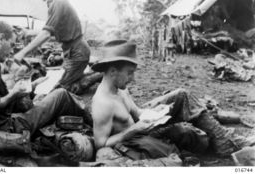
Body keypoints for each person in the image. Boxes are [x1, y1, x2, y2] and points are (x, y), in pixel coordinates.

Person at [91, 40, 251, 160]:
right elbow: (101, 144)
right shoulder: (103, 104)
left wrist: (154, 113)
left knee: (182, 95)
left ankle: (224, 138)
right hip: (135, 139)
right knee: (193, 137)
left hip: (142, 128)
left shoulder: (119, 88)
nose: (133, 78)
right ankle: (226, 140)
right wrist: (132, 131)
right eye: (129, 73)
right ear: (113, 71)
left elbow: (136, 112)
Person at [0, 20, 88, 136]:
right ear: (1, 39)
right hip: (2, 130)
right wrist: (14, 94)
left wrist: (31, 86)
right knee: (61, 95)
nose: (11, 51)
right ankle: (94, 120)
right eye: (11, 44)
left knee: (44, 99)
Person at [14, 0, 90, 91]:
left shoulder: (58, 3)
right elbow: (52, 30)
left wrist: (22, 53)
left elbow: (46, 34)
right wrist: (29, 32)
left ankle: (96, 76)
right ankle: (88, 77)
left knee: (59, 89)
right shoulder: (54, 2)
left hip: (77, 53)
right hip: (73, 52)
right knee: (68, 81)